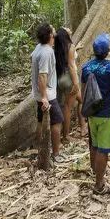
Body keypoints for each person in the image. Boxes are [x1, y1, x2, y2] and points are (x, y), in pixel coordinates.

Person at [81, 33, 110, 194]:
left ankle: (96, 173)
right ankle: (99, 185)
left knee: (94, 144)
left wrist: (82, 115)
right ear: (107, 52)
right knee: (103, 149)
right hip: (107, 114)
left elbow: (84, 91)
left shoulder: (86, 68)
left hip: (92, 113)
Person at [31, 22, 65, 163]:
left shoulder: (39, 48)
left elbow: (32, 59)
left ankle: (40, 150)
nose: (54, 30)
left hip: (39, 94)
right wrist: (45, 97)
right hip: (48, 95)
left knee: (40, 121)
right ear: (51, 34)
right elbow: (42, 75)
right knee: (57, 122)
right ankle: (56, 154)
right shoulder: (46, 52)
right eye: (53, 28)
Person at [54, 27, 82, 143]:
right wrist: (76, 83)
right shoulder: (70, 47)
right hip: (69, 78)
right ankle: (66, 136)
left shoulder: (57, 47)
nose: (68, 28)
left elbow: (68, 57)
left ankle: (83, 126)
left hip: (59, 78)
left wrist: (77, 48)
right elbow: (71, 66)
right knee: (67, 108)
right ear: (65, 34)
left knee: (79, 100)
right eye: (66, 29)